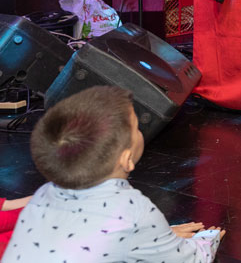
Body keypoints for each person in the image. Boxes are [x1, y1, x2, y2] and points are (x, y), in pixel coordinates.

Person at [1, 86, 224, 262]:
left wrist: (151, 238)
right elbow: (190, 258)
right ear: (126, 159)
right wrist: (207, 240)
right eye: (136, 127)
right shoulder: (134, 210)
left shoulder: (45, 193)